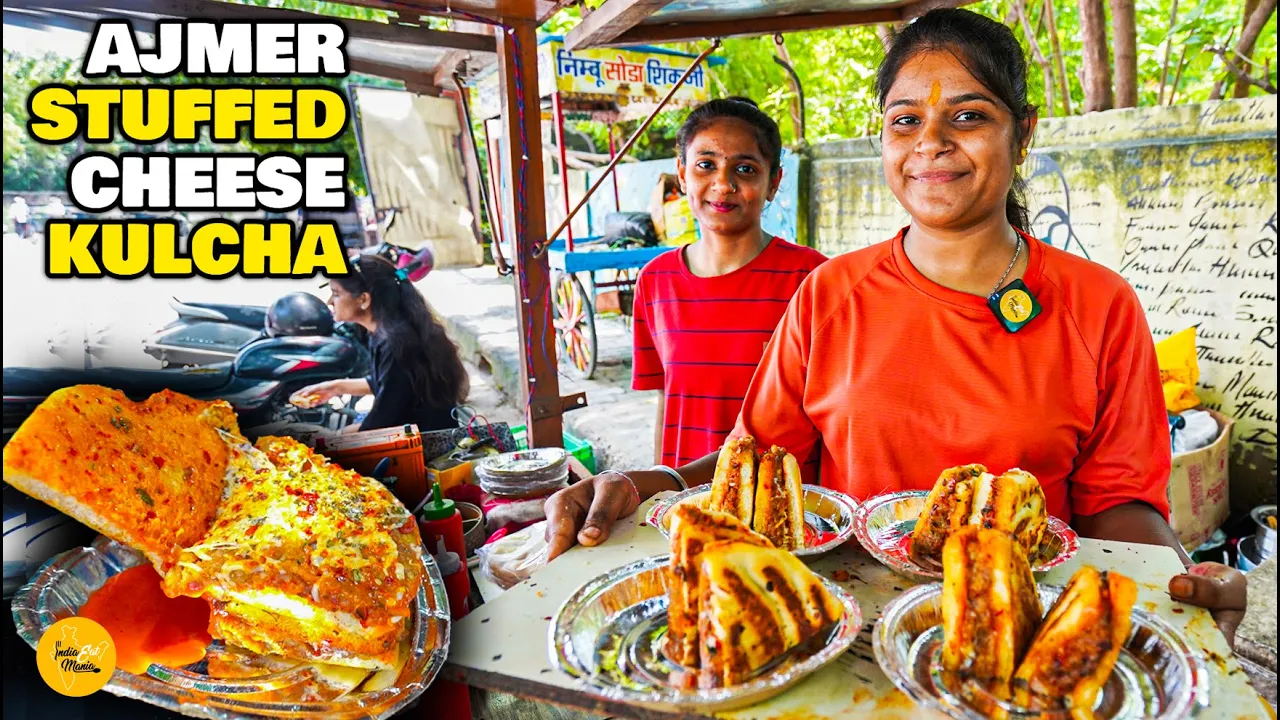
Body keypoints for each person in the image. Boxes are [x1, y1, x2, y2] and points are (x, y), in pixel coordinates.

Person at [543, 9, 1247, 646]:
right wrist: (654, 483)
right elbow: (756, 470)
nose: (930, 143)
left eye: (967, 116)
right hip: (841, 639)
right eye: (905, 120)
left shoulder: (1099, 305)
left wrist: (1178, 584)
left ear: (1023, 132)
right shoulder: (829, 295)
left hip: (1014, 643)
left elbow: (1120, 509)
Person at [631, 97, 826, 470]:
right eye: (706, 165)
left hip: (782, 508)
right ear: (683, 174)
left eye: (746, 169)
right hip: (688, 507)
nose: (723, 184)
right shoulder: (655, 282)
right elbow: (666, 402)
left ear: (773, 182)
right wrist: (658, 494)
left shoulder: (813, 280)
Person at [294, 255, 470, 434]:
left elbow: (383, 421)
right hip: (409, 432)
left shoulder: (397, 343)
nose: (330, 302)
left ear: (363, 299)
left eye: (336, 294)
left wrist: (335, 437)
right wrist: (335, 387)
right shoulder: (383, 332)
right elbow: (386, 383)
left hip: (425, 442)